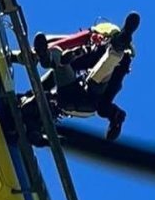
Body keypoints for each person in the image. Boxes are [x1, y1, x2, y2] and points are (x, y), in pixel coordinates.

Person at [30, 12, 139, 141]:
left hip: (87, 100)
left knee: (97, 78)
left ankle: (118, 47)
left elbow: (106, 100)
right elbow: (66, 48)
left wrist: (115, 120)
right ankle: (51, 59)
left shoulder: (109, 62)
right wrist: (44, 54)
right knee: (64, 63)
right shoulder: (91, 50)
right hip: (72, 96)